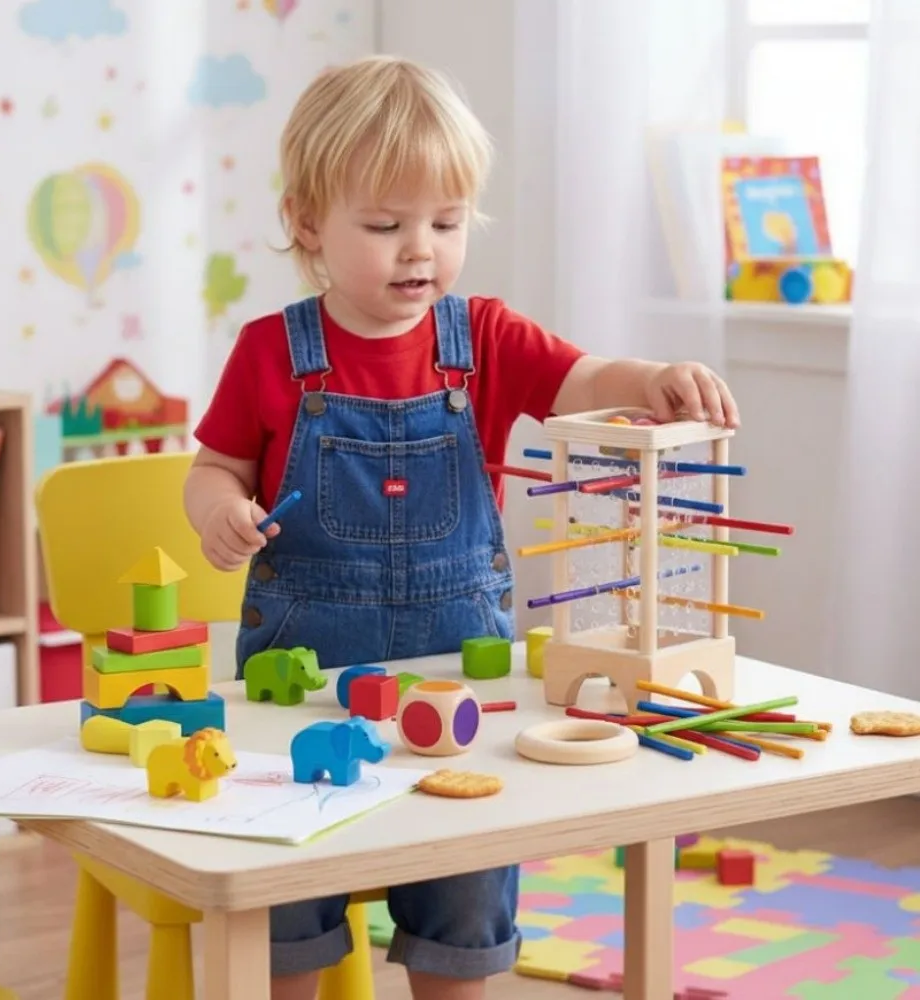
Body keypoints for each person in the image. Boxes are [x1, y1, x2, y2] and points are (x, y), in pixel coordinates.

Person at [184, 54, 739, 1000]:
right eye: (386, 225)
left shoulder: (479, 336)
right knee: (290, 913)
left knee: (461, 904)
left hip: (460, 686)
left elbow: (589, 378)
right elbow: (215, 469)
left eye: (445, 223)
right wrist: (221, 517)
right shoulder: (272, 349)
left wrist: (649, 380)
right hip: (304, 685)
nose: (420, 251)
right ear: (308, 222)